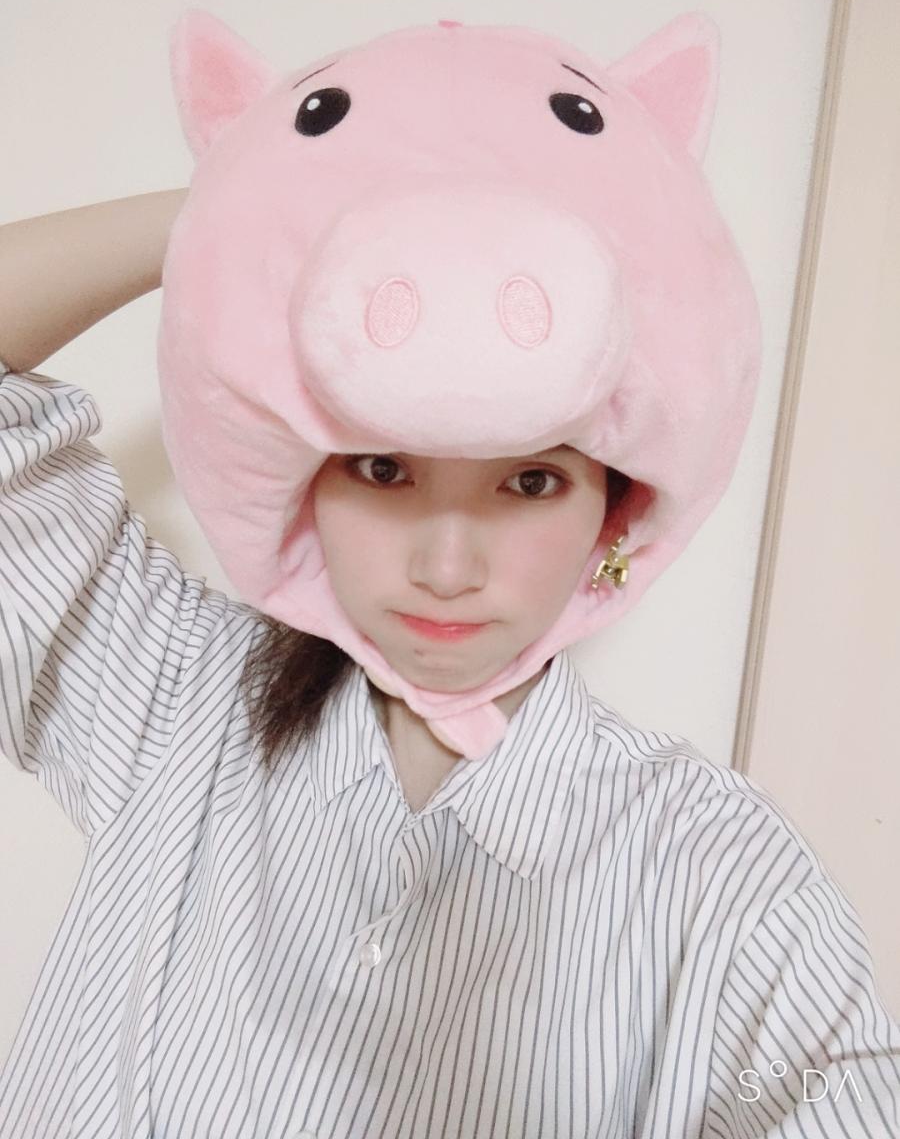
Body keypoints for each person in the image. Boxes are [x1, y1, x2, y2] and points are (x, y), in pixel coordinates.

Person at [0, 191, 899, 1139]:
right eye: (384, 468)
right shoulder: (175, 685)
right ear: (307, 482)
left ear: (615, 514)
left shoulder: (720, 867)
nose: (445, 567)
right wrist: (261, 195)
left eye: (530, 480)